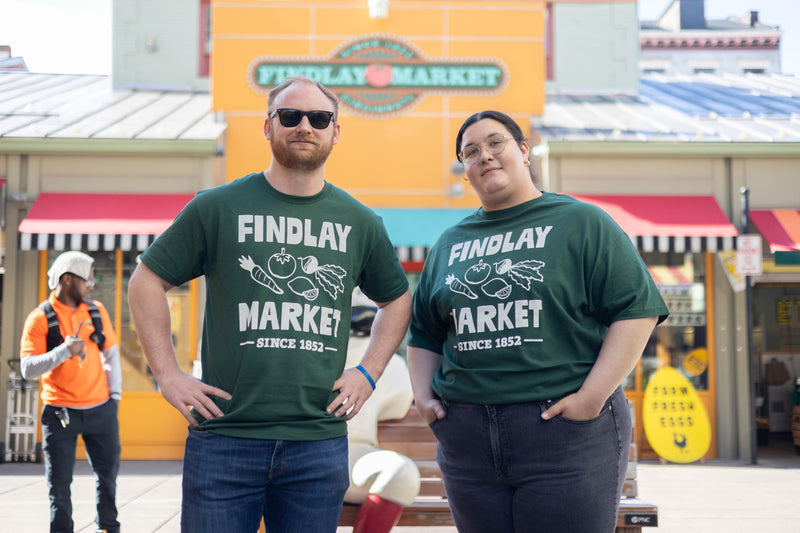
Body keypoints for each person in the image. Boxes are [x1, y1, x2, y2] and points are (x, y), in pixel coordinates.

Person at [127, 75, 411, 533]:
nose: (305, 125)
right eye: (290, 115)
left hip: (316, 443)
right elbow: (145, 282)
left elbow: (397, 301)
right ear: (267, 127)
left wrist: (368, 372)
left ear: (335, 131)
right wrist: (167, 375)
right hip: (225, 438)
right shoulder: (217, 207)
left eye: (319, 118)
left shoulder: (360, 222)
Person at [406, 110, 669, 533]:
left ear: (523, 151)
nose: (485, 156)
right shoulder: (448, 244)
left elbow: (636, 310)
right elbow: (425, 334)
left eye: (496, 143)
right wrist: (423, 395)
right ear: (465, 171)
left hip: (563, 432)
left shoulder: (581, 222)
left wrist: (590, 399)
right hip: (467, 439)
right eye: (471, 152)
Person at [20, 251, 122, 533]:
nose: (92, 284)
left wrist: (114, 398)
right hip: (59, 413)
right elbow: (28, 368)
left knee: (108, 477)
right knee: (60, 485)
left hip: (101, 409)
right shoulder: (39, 319)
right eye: (88, 279)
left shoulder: (96, 311)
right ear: (67, 280)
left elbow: (111, 356)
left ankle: (109, 527)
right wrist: (64, 350)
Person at [344, 291, 420, 533]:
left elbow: (398, 400)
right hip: (295, 447)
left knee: (400, 474)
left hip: (352, 455)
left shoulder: (391, 366)